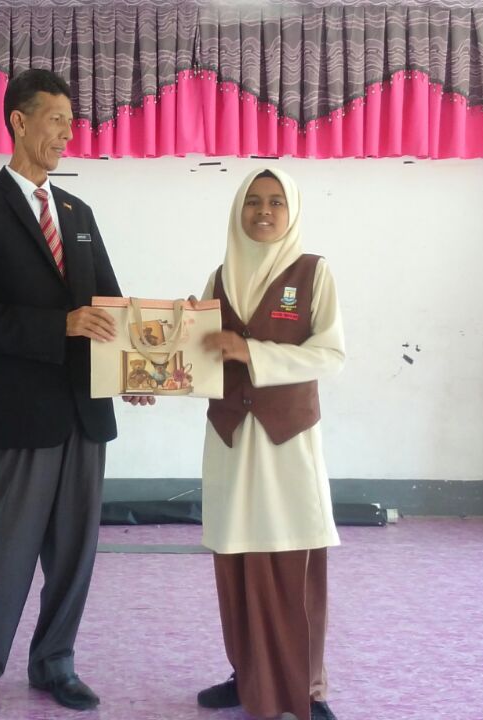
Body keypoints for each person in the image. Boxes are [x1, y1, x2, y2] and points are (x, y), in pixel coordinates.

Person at [0, 69, 151, 720]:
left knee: (75, 553)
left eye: (69, 121)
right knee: (5, 551)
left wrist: (134, 369)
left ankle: (56, 662)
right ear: (19, 121)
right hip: (20, 412)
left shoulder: (79, 214)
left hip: (86, 410)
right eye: (55, 119)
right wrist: (60, 325)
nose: (65, 133)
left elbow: (108, 304)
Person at [195, 168, 344, 720]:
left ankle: (308, 690)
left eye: (276, 201)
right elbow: (199, 357)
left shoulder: (313, 273)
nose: (263, 211)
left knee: (291, 558)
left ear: (292, 210)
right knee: (236, 560)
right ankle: (246, 676)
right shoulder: (219, 278)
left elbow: (330, 354)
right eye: (253, 201)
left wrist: (252, 352)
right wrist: (152, 376)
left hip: (287, 442)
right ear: (239, 210)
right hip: (231, 438)